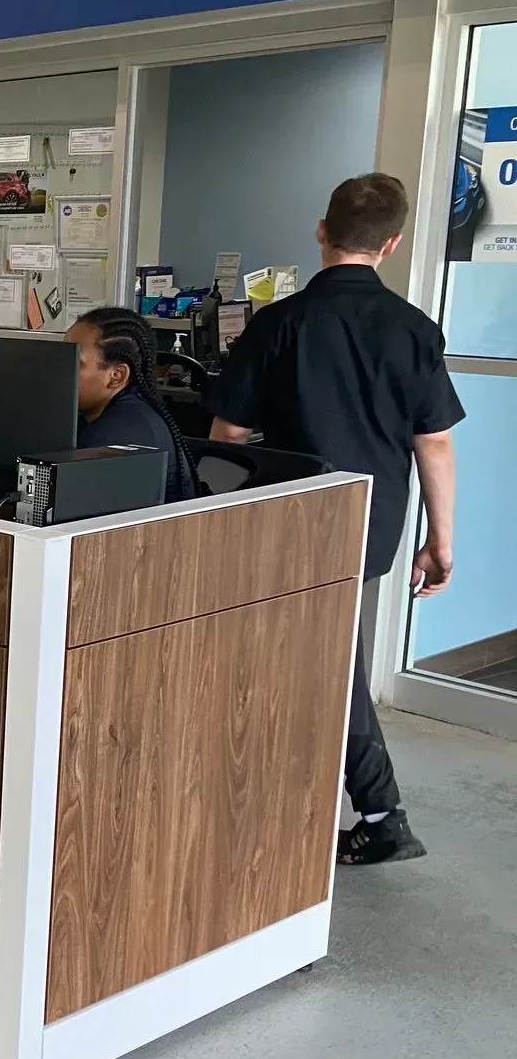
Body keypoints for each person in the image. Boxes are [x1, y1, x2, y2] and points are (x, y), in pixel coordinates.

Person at [208, 172, 464, 866]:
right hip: (370, 522)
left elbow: (227, 435)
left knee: (323, 661)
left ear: (321, 231)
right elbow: (433, 441)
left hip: (287, 518)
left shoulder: (278, 323)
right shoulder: (414, 329)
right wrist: (440, 539)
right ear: (392, 243)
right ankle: (346, 802)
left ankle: (382, 814)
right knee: (325, 655)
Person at [65, 307, 197, 503]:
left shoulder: (113, 439)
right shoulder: (128, 413)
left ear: (116, 376)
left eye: (74, 362)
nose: (60, 369)